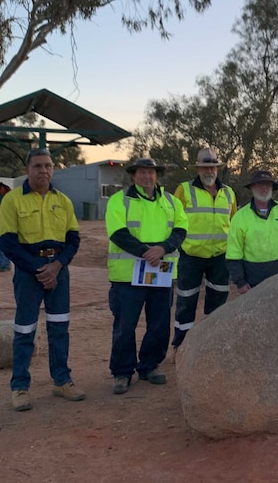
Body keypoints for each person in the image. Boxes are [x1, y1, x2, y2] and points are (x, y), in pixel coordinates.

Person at [0, 147, 84, 411]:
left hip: (59, 270)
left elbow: (73, 239)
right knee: (25, 330)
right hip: (28, 272)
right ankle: (20, 387)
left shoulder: (64, 200)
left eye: (48, 165)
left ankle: (62, 380)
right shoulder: (13, 200)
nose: (44, 170)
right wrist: (40, 269)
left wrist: (57, 266)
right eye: (37, 166)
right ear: (27, 170)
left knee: (59, 327)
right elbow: (8, 244)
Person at [106, 158, 188, 394]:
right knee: (125, 325)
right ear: (133, 175)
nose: (147, 177)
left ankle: (150, 366)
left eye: (151, 173)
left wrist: (162, 249)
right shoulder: (119, 201)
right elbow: (118, 233)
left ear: (157, 176)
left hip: (160, 271)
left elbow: (181, 229)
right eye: (142, 172)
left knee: (159, 322)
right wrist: (146, 252)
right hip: (127, 275)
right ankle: (122, 372)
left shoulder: (171, 201)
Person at [170, 149, 235, 360]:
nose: (209, 170)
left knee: (217, 305)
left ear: (217, 168)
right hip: (191, 257)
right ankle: (181, 346)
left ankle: (210, 346)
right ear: (198, 168)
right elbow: (174, 221)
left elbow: (233, 224)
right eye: (205, 166)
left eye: (213, 166)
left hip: (220, 257)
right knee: (186, 302)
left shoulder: (229, 193)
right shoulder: (184, 190)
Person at [226, 170, 278, 292]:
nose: (264, 188)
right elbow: (233, 254)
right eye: (260, 184)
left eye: (268, 184)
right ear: (252, 187)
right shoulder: (240, 217)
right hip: (254, 283)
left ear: (272, 187)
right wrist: (240, 282)